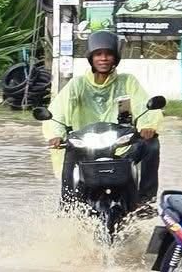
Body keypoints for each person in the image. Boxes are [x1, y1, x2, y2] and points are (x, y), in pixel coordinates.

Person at [46, 30, 163, 204]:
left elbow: (142, 104)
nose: (103, 58)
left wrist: (148, 126)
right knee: (69, 151)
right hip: (84, 145)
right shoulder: (78, 84)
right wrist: (56, 134)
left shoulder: (127, 81)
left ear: (115, 58)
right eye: (98, 54)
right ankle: (68, 205)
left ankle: (145, 201)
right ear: (91, 58)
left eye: (108, 54)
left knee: (151, 145)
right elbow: (58, 111)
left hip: (120, 144)